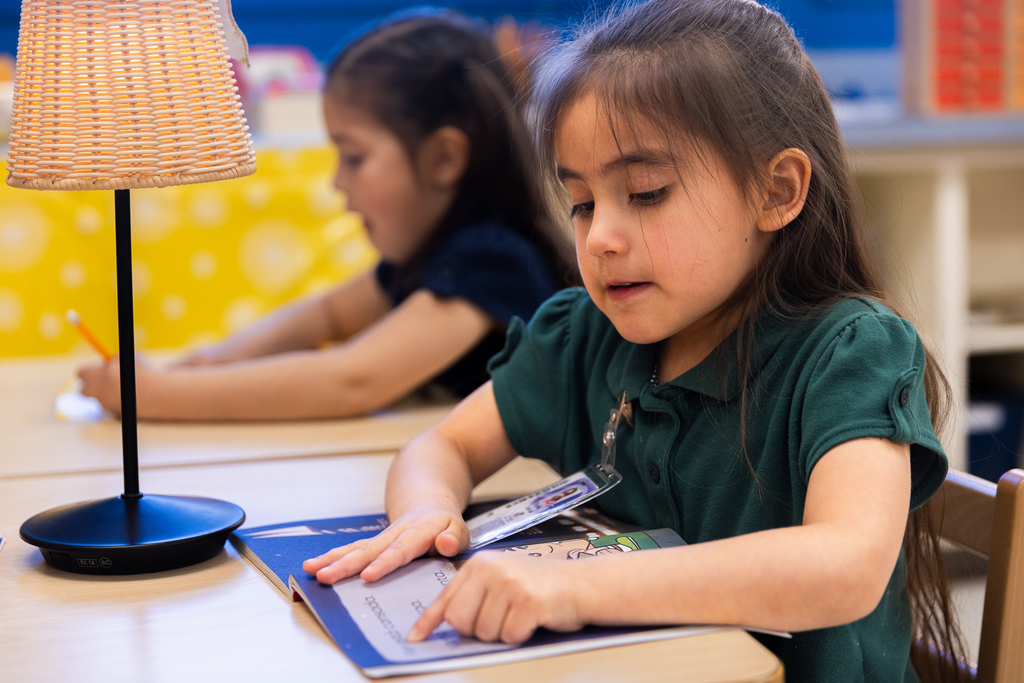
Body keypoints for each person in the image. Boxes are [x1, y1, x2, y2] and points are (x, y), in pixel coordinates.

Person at [302, 1, 968, 680]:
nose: (599, 238)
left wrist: (571, 583)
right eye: (583, 202)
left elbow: (844, 565)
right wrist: (427, 513)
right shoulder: (584, 335)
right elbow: (443, 444)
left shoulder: (851, 351)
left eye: (646, 193)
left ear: (777, 190)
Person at [77, 9, 576, 421]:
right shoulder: (438, 255)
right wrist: (208, 363)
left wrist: (156, 395)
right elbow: (326, 315)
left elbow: (352, 380)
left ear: (444, 158)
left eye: (354, 157)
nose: (338, 181)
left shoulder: (491, 259)